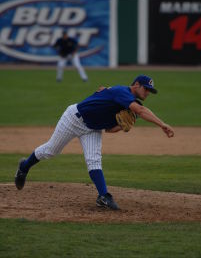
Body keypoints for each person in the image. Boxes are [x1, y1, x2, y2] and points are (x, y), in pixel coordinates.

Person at [15, 74, 174, 210]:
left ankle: (103, 196)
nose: (147, 93)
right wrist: (162, 124)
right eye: (146, 89)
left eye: (150, 91)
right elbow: (141, 110)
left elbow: (110, 130)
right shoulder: (123, 91)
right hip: (73, 119)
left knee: (94, 160)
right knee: (50, 151)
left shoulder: (127, 103)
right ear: (136, 85)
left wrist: (120, 126)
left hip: (92, 128)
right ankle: (24, 166)